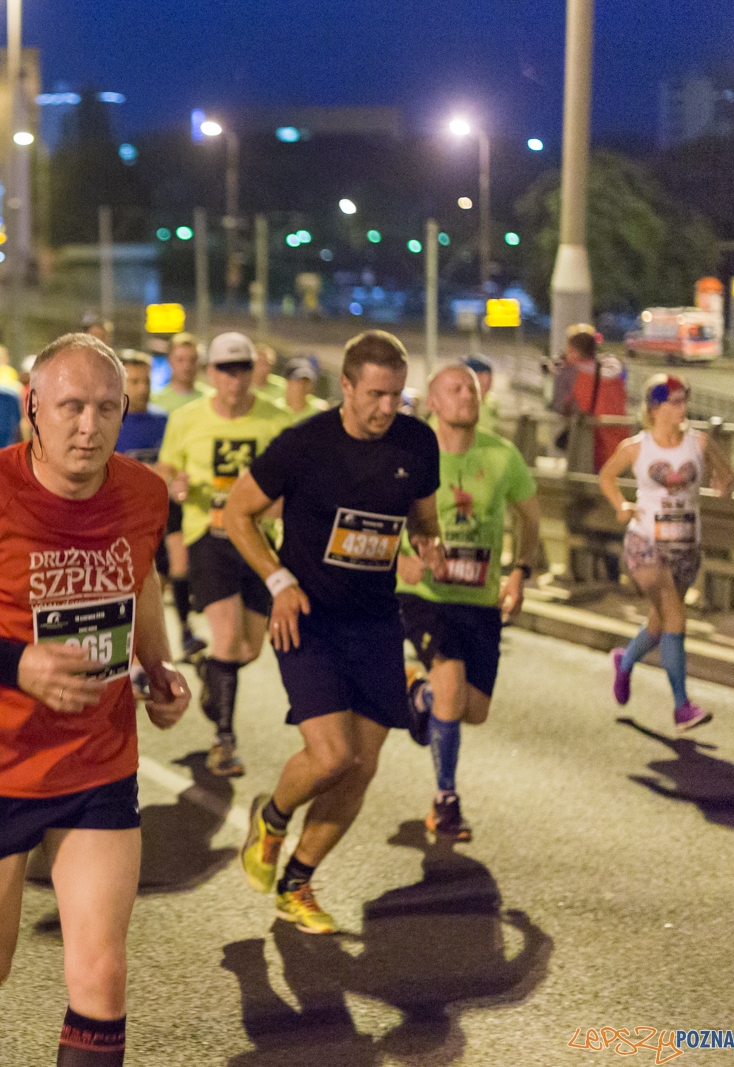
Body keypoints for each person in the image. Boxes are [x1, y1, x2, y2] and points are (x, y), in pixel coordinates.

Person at [0, 332, 189, 1067]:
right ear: (32, 408)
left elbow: (139, 577)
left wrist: (156, 666)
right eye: (71, 406)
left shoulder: (142, 493)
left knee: (102, 975)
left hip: (95, 762)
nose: (89, 426)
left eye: (107, 408)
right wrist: (13, 663)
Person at [224, 330, 445, 935]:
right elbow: (235, 514)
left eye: (397, 396)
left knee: (363, 766)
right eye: (375, 394)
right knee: (332, 753)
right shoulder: (304, 446)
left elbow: (423, 517)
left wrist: (429, 545)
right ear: (344, 386)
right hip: (309, 619)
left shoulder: (417, 442)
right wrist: (277, 582)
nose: (386, 408)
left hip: (376, 621)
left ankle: (297, 882)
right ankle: (270, 817)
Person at [398, 363, 540, 840]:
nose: (469, 393)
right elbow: (381, 516)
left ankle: (418, 693)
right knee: (454, 685)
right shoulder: (413, 457)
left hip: (478, 597)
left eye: (472, 387)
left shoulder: (502, 456)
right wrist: (402, 562)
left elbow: (530, 518)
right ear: (433, 403)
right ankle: (446, 801)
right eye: (455, 388)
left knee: (473, 710)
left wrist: (519, 572)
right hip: (424, 595)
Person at [158, 332, 293, 777]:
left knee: (249, 648)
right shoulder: (188, 418)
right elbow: (167, 467)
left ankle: (211, 672)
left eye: (242, 368)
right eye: (225, 369)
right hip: (208, 536)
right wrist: (175, 483)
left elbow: (294, 481)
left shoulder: (275, 421)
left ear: (254, 370)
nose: (234, 379)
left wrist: (282, 503)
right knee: (229, 636)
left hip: (257, 540)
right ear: (211, 373)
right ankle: (224, 741)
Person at [601, 373, 734, 731]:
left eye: (684, 400)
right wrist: (621, 505)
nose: (683, 408)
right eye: (675, 401)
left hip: (686, 549)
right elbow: (606, 476)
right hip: (645, 543)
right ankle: (681, 707)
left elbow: (730, 478)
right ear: (655, 407)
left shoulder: (701, 444)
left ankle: (625, 661)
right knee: (676, 618)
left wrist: (726, 484)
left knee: (660, 623)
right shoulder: (637, 448)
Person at [150, 333, 211, 657]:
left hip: (199, 497)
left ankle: (186, 631)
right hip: (164, 492)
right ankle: (150, 642)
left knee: (180, 564)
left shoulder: (210, 399)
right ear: (171, 362)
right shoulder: (158, 403)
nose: (187, 366)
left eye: (192, 360)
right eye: (181, 359)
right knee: (157, 570)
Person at [553, 325, 628, 471]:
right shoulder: (615, 374)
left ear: (574, 351)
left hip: (590, 450)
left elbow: (559, 406)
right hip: (619, 448)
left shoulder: (573, 374)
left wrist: (560, 372)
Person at [114, 352, 168, 463]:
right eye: (135, 382)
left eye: (147, 381)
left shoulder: (165, 421)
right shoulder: (110, 425)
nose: (143, 389)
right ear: (118, 383)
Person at [277, 355, 331, 422]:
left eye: (307, 381)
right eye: (299, 380)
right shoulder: (274, 409)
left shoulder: (319, 411)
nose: (304, 385)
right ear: (288, 382)